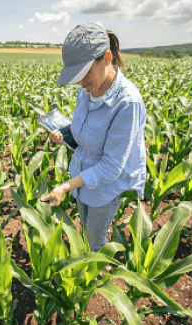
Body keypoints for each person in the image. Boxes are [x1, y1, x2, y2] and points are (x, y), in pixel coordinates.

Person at [41, 23, 146, 252]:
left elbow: (110, 168)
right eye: (76, 76)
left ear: (106, 57)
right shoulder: (85, 90)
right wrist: (65, 135)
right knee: (85, 228)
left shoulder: (127, 103)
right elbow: (84, 133)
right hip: (83, 174)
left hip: (108, 186)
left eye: (84, 73)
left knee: (94, 242)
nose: (80, 83)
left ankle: (92, 281)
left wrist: (65, 187)